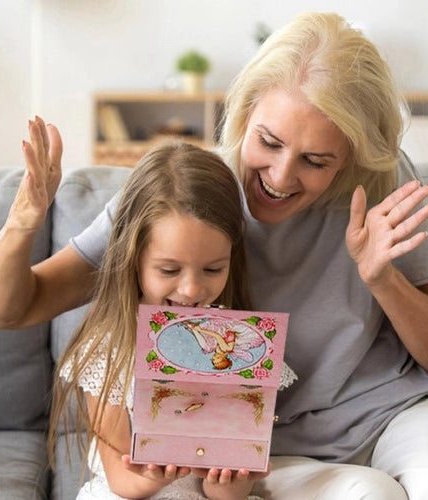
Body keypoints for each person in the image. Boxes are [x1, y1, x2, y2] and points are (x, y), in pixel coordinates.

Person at [0, 11, 428, 499]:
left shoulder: (384, 183)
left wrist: (381, 277)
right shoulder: (188, 198)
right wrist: (25, 219)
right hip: (259, 444)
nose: (281, 177)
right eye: (267, 142)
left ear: (352, 157)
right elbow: (10, 309)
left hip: (390, 416)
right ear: (244, 114)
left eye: (316, 160)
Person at [47, 141, 274, 499]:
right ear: (133, 257)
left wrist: (229, 486)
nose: (191, 289)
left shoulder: (236, 342)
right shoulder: (110, 348)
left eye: (213, 269)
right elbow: (122, 480)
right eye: (169, 269)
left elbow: (233, 484)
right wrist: (156, 474)